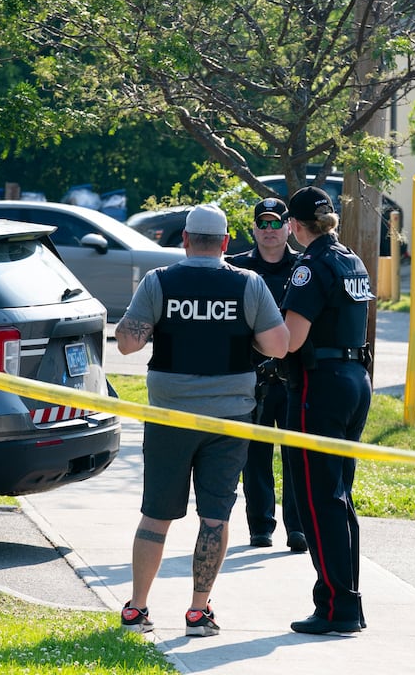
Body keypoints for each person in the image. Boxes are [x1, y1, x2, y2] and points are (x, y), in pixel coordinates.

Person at [114, 203, 289, 637]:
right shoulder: (248, 284)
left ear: (185, 240)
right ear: (227, 243)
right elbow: (279, 345)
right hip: (229, 420)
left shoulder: (159, 282)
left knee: (156, 514)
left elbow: (126, 345)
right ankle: (198, 612)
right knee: (215, 515)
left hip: (169, 417)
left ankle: (138, 609)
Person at [279, 185, 375, 635]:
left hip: (322, 385)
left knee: (318, 501)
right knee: (338, 496)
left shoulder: (310, 267)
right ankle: (343, 600)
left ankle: (338, 607)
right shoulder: (350, 259)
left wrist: (257, 341)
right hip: (356, 379)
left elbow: (291, 340)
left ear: (295, 226)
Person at [227, 197, 307, 553]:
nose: (270, 230)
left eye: (277, 223)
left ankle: (298, 529)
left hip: (294, 378)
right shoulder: (237, 269)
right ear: (254, 228)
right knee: (254, 458)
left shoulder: (305, 267)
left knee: (296, 457)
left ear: (290, 227)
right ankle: (260, 527)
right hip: (253, 378)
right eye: (264, 224)